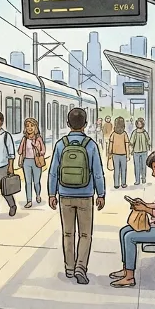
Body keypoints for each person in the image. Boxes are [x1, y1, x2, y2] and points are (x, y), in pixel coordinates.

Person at [48, 107, 106, 285]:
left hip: (65, 195)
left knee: (67, 234)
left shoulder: (60, 144)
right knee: (85, 234)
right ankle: (81, 267)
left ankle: (69, 268)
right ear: (85, 125)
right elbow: (97, 173)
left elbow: (53, 172)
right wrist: (101, 193)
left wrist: (52, 193)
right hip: (86, 195)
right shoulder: (91, 145)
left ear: (67, 124)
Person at [111, 149, 155, 288]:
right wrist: (144, 204)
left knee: (129, 237)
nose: (154, 174)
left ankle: (130, 276)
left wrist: (146, 209)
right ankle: (126, 269)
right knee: (124, 231)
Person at [18, 117, 46, 208]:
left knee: (36, 182)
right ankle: (29, 200)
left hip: (36, 161)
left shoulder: (38, 139)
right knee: (28, 182)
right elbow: (20, 151)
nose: (29, 128)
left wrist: (36, 148)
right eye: (27, 126)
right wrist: (20, 156)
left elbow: (43, 151)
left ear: (35, 127)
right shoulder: (24, 139)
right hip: (26, 161)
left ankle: (38, 195)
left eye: (32, 126)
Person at [107, 117, 131, 189]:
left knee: (116, 170)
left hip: (115, 154)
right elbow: (127, 145)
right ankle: (123, 183)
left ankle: (116, 184)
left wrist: (109, 153)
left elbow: (110, 144)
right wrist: (128, 154)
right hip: (123, 154)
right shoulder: (124, 134)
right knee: (123, 170)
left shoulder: (113, 134)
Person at [129, 118, 151, 186]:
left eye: (140, 123)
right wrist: (131, 150)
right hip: (136, 152)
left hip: (144, 151)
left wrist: (149, 147)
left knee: (143, 166)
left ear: (142, 124)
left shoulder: (145, 132)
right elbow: (131, 142)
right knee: (137, 166)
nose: (139, 125)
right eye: (138, 123)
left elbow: (149, 141)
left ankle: (143, 178)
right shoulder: (135, 132)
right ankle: (137, 180)